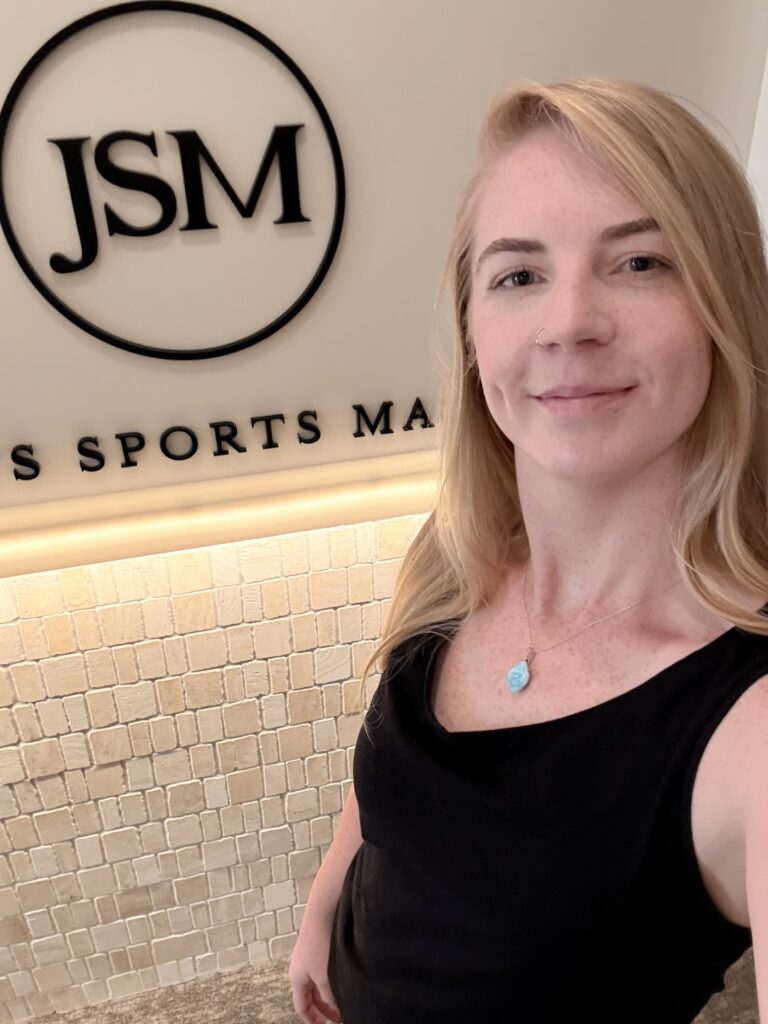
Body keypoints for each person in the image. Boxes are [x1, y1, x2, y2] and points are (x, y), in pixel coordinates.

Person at [287, 76, 768, 1024]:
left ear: (726, 306)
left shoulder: (749, 724)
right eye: (518, 275)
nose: (568, 321)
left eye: (641, 263)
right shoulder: (461, 553)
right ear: (473, 330)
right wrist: (323, 908)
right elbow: (397, 785)